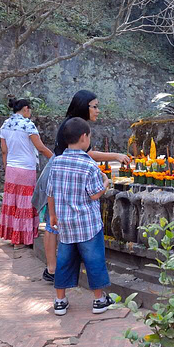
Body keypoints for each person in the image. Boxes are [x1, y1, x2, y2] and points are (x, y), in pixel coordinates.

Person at [37, 90, 130, 283]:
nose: (98, 110)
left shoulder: (73, 124)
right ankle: (52, 269)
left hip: (59, 172)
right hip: (59, 174)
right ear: (83, 106)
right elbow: (88, 154)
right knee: (52, 223)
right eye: (94, 106)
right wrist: (116, 156)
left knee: (54, 222)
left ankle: (54, 269)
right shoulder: (75, 127)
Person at [46, 117, 113, 315]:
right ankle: (99, 299)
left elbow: (51, 192)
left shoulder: (56, 163)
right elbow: (94, 194)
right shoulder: (90, 166)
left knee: (64, 260)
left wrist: (53, 216)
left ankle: (60, 300)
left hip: (65, 224)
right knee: (94, 260)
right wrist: (106, 184)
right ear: (84, 137)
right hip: (88, 225)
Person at [0, 98, 53, 247]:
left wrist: (6, 167)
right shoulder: (28, 125)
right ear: (26, 109)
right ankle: (22, 238)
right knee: (25, 204)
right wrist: (55, 159)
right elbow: (40, 147)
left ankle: (12, 236)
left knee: (12, 202)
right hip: (26, 169)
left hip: (11, 168)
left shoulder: (5, 125)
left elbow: (4, 151)